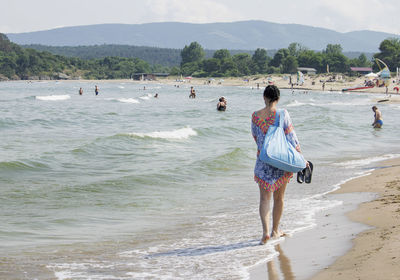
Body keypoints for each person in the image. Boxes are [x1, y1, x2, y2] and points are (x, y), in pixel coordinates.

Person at [251, 85, 306, 245]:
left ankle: (265, 233)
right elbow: (291, 137)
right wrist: (301, 157)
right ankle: (275, 230)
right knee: (279, 198)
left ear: (264, 97)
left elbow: (255, 136)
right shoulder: (282, 114)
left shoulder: (255, 116)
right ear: (278, 98)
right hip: (281, 162)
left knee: (264, 199)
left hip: (263, 161)